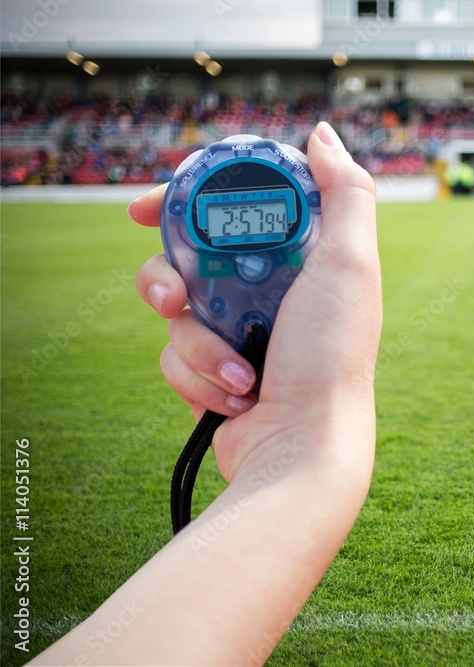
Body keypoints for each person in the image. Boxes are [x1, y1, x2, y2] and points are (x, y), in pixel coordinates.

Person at [30, 121, 383, 666]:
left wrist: (302, 438)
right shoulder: (271, 194)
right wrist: (301, 450)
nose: (250, 247)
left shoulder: (207, 202)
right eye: (235, 221)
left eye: (259, 218)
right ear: (187, 219)